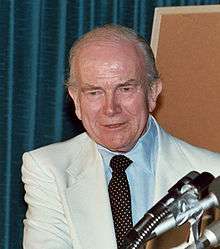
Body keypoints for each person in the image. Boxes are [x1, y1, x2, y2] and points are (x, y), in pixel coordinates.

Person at [22, 24, 220, 249]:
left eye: (125, 89)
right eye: (94, 92)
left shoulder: (214, 173)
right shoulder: (48, 169)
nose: (110, 109)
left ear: (153, 92)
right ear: (76, 100)